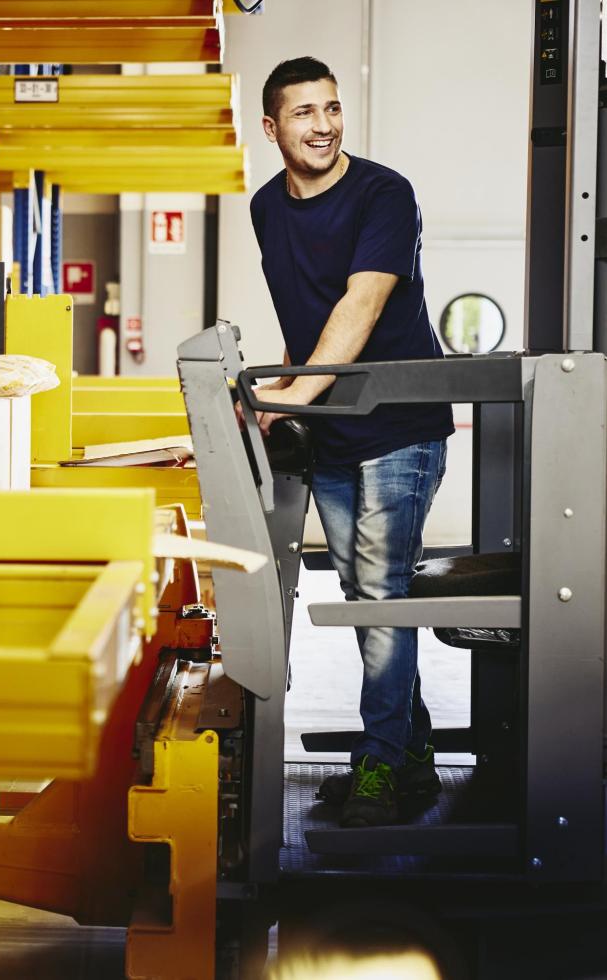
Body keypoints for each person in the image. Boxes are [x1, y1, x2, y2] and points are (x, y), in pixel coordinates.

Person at [247, 57, 454, 828]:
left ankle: (377, 767)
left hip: (398, 427)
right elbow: (307, 315)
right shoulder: (267, 207)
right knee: (371, 601)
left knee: (377, 596)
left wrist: (295, 392)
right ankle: (408, 760)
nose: (323, 124)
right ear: (272, 128)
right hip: (333, 432)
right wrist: (291, 395)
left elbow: (361, 303)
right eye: (303, 113)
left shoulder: (383, 193)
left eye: (330, 108)